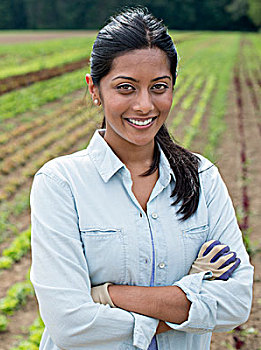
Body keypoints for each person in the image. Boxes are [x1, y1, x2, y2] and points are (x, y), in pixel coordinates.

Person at [29, 7, 254, 350]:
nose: (145, 105)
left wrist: (108, 295)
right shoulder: (61, 184)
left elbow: (236, 303)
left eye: (159, 87)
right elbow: (70, 325)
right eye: (126, 88)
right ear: (95, 90)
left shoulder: (202, 178)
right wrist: (189, 299)